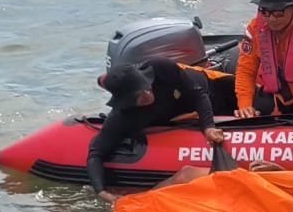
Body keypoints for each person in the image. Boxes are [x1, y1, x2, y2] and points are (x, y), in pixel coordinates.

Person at [87, 56, 237, 203]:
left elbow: (198, 95)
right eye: (139, 95)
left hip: (210, 88)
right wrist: (102, 192)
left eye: (146, 87)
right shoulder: (122, 116)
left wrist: (208, 127)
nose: (147, 94)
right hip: (186, 114)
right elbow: (96, 153)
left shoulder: (161, 68)